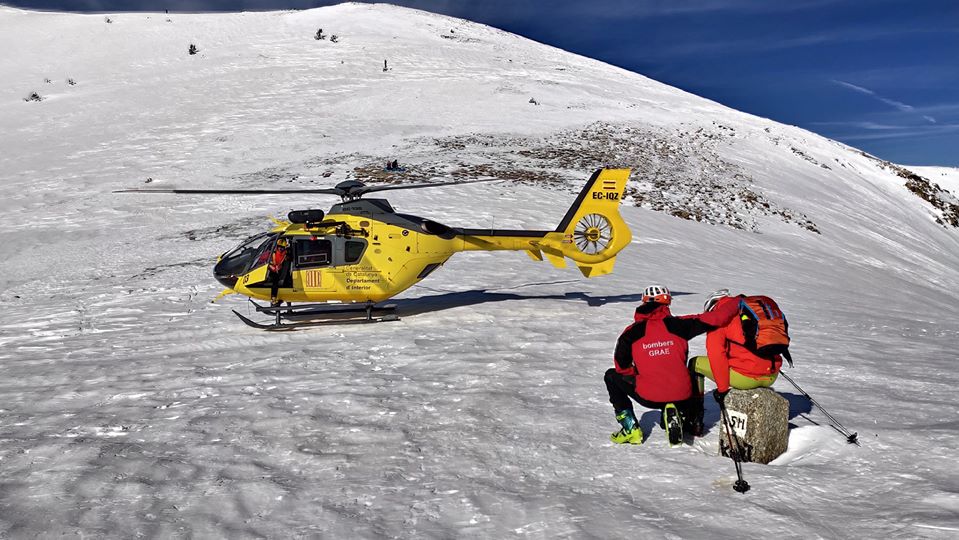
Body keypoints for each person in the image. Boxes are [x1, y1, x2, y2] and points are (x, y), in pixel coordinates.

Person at [606, 285, 740, 445]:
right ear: (667, 302)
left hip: (648, 396)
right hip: (682, 395)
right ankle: (692, 421)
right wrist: (737, 301)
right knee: (692, 367)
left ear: (643, 303)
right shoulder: (681, 325)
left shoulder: (630, 333)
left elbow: (622, 367)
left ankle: (630, 429)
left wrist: (643, 372)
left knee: (611, 376)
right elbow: (716, 318)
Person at [686, 289, 784, 435]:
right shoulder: (749, 311)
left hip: (746, 378)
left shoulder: (720, 317)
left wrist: (722, 389)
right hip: (771, 375)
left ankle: (695, 420)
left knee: (695, 363)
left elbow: (716, 355)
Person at [269, 237, 290, 304]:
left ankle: (285, 298)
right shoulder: (272, 253)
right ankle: (273, 297)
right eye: (279, 247)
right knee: (274, 280)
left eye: (282, 248)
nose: (281, 249)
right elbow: (265, 262)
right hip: (272, 270)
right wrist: (272, 267)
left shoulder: (285, 254)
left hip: (280, 271)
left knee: (287, 280)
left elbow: (289, 258)